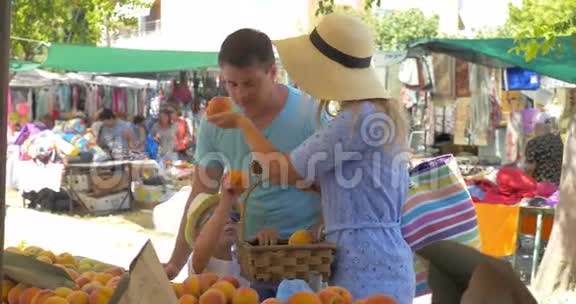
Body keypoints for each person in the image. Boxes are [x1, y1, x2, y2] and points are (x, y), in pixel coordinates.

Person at [207, 14, 415, 303]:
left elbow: (282, 169)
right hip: (383, 260)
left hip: (365, 266)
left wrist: (243, 124)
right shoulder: (373, 114)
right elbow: (355, 189)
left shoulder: (354, 121)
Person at [164, 28, 322, 299]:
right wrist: (175, 263)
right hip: (244, 259)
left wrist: (315, 235)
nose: (240, 95)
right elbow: (201, 193)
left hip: (303, 258)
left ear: (273, 73)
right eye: (231, 84)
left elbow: (330, 186)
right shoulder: (216, 119)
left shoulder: (309, 113)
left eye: (249, 83)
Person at [185, 182, 249, 287]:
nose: (228, 220)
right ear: (197, 235)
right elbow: (203, 246)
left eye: (234, 216)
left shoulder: (241, 261)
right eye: (214, 218)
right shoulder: (199, 262)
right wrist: (225, 204)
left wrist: (264, 240)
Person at [525, 114, 564, 185]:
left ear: (538, 126)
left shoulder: (534, 143)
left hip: (541, 186)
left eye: (533, 125)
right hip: (559, 185)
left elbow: (530, 168)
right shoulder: (559, 141)